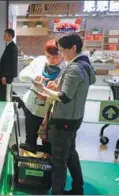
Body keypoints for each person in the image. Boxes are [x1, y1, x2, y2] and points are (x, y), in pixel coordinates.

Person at [32, 33, 96, 195]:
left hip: (64, 120)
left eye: (63, 51)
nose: (61, 55)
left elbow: (65, 97)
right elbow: (83, 85)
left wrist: (42, 88)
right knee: (70, 154)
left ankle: (57, 192)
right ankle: (77, 188)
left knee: (59, 161)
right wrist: (58, 85)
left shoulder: (75, 68)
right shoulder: (85, 64)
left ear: (73, 48)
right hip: (74, 117)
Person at [19, 40, 66, 154]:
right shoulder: (39, 60)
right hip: (32, 106)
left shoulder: (67, 67)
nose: (52, 60)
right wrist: (34, 77)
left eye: (56, 57)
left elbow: (67, 93)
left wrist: (57, 88)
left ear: (63, 55)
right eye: (48, 56)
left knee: (48, 141)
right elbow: (22, 76)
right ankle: (30, 163)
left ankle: (46, 166)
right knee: (30, 138)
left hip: (51, 112)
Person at [0, 29, 18, 101]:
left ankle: (5, 108)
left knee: (5, 94)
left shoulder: (12, 48)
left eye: (5, 35)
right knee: (5, 92)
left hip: (6, 75)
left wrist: (5, 76)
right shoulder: (9, 46)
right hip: (6, 75)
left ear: (10, 36)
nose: (3, 36)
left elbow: (10, 64)